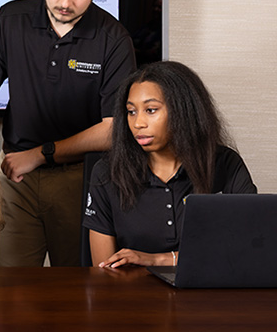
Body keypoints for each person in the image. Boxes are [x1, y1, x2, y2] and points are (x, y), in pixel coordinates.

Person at [0, 0, 136, 269]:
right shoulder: (10, 20)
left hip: (82, 180)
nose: (64, 1)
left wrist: (42, 155)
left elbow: (112, 129)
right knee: (8, 293)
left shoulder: (113, 39)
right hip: (14, 174)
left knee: (77, 296)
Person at [83, 61, 257, 268]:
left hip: (208, 294)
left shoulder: (226, 164)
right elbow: (104, 270)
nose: (138, 123)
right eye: (131, 112)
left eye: (150, 110)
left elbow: (248, 245)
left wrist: (160, 259)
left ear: (183, 110)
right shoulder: (106, 173)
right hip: (133, 295)